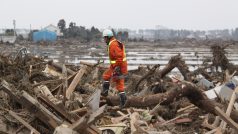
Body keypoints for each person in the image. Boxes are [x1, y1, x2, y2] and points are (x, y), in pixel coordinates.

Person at [101, 29, 128, 108]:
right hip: (116, 66)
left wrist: (118, 68)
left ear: (107, 37)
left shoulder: (113, 44)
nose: (104, 40)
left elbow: (119, 57)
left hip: (118, 67)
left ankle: (123, 102)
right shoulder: (114, 43)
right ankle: (106, 92)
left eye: (104, 38)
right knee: (106, 76)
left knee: (119, 84)